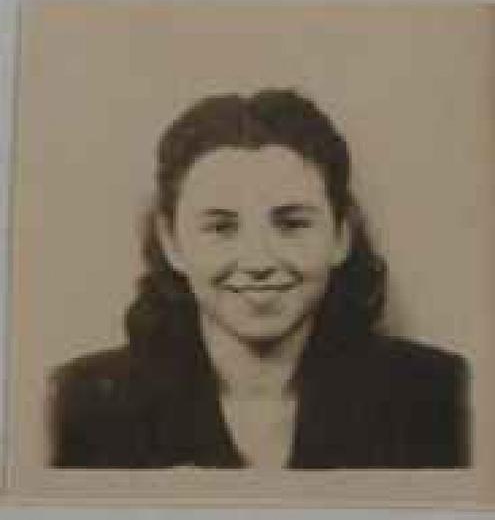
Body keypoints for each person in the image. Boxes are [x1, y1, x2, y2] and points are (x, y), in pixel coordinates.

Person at [49, 89, 470, 469]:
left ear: (342, 235)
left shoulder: (441, 397)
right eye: (221, 227)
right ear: (171, 242)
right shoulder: (79, 408)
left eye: (292, 224)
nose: (258, 261)